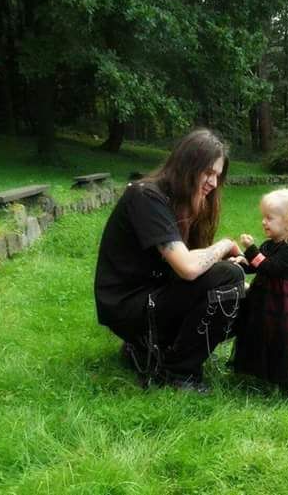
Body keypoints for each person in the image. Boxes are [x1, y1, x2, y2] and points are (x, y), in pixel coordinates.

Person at [94, 128, 244, 393]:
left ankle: (145, 349)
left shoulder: (179, 201)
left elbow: (189, 261)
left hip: (151, 296)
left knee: (237, 290)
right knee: (228, 279)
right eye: (208, 173)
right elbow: (187, 268)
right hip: (128, 305)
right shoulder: (146, 196)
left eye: (217, 176)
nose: (212, 183)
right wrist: (224, 245)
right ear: (188, 165)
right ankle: (178, 372)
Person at [230, 188, 288, 397]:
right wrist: (241, 263)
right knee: (259, 333)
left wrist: (251, 250)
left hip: (282, 303)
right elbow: (256, 266)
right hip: (262, 299)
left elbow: (271, 268)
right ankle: (261, 371)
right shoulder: (269, 244)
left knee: (285, 339)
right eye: (263, 217)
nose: (264, 222)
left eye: (269, 218)